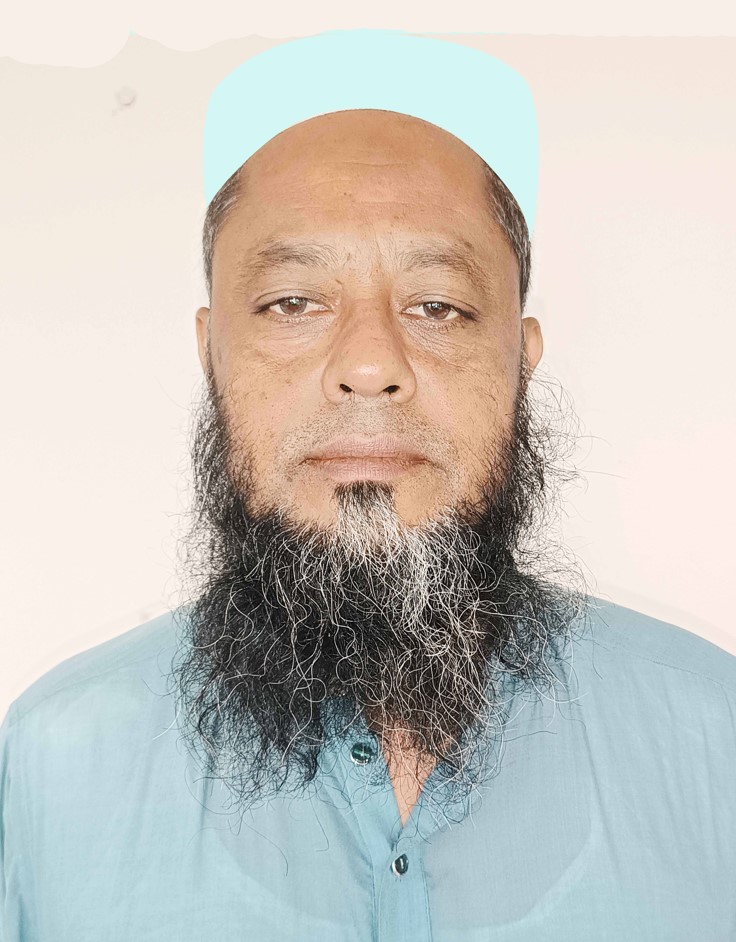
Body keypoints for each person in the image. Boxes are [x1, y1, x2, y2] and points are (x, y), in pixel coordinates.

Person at [1, 30, 735, 942]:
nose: (369, 365)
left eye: (437, 306)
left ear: (520, 359)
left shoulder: (716, 739)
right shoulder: (48, 769)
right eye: (292, 303)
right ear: (211, 352)